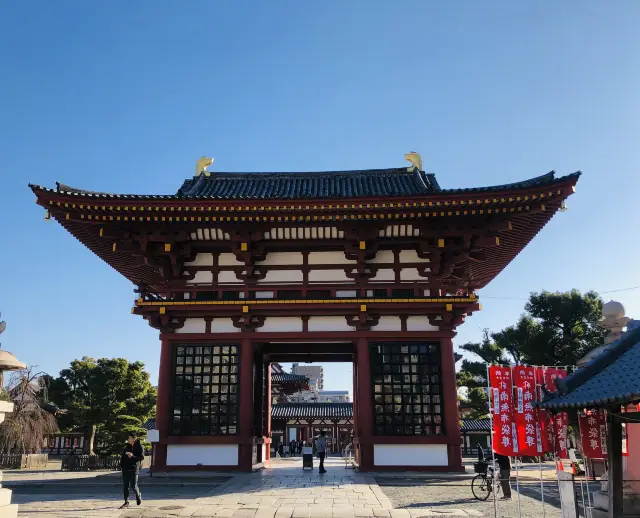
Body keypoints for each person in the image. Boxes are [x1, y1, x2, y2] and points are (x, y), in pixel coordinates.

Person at [119, 432, 144, 509]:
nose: (128, 439)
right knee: (125, 486)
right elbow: (123, 456)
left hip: (134, 469)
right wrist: (121, 465)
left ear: (134, 439)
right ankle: (126, 502)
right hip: (125, 469)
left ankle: (138, 495)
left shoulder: (140, 447)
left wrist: (133, 456)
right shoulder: (126, 447)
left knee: (133, 486)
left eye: (129, 438)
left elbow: (141, 457)